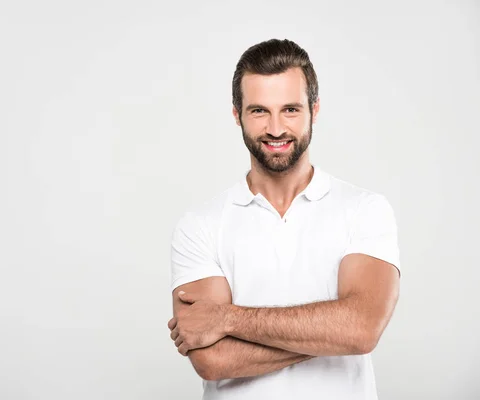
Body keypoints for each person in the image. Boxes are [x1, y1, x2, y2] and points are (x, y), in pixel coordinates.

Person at [167, 38, 401, 400]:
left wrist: (227, 319)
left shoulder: (365, 210)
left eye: (290, 110)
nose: (276, 129)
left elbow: (362, 329)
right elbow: (212, 359)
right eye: (259, 111)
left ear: (314, 110)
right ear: (237, 114)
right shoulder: (200, 225)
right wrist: (332, 332)